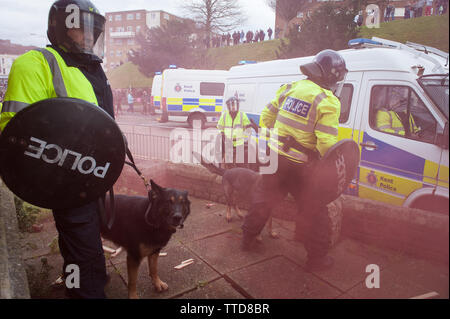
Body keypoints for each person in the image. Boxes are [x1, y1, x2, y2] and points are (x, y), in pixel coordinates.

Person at [0, 0, 112, 298]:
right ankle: (83, 291)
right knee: (81, 249)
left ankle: (92, 278)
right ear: (60, 27)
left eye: (93, 31)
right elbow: (16, 132)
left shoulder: (92, 69)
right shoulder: (35, 63)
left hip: (95, 177)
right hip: (69, 179)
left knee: (84, 243)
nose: (89, 36)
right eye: (80, 28)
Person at [240, 50, 348, 271]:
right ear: (330, 75)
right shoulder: (328, 101)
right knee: (314, 211)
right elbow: (326, 143)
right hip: (301, 167)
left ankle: (247, 239)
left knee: (264, 199)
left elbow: (267, 117)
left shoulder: (290, 88)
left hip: (274, 158)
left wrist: (278, 140)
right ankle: (317, 259)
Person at [217, 93, 252, 167]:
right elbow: (219, 127)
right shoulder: (224, 115)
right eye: (231, 105)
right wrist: (222, 134)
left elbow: (248, 129)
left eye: (235, 105)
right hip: (228, 143)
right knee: (228, 163)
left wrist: (245, 139)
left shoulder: (242, 115)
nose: (233, 107)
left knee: (240, 163)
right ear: (228, 106)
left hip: (239, 143)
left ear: (238, 106)